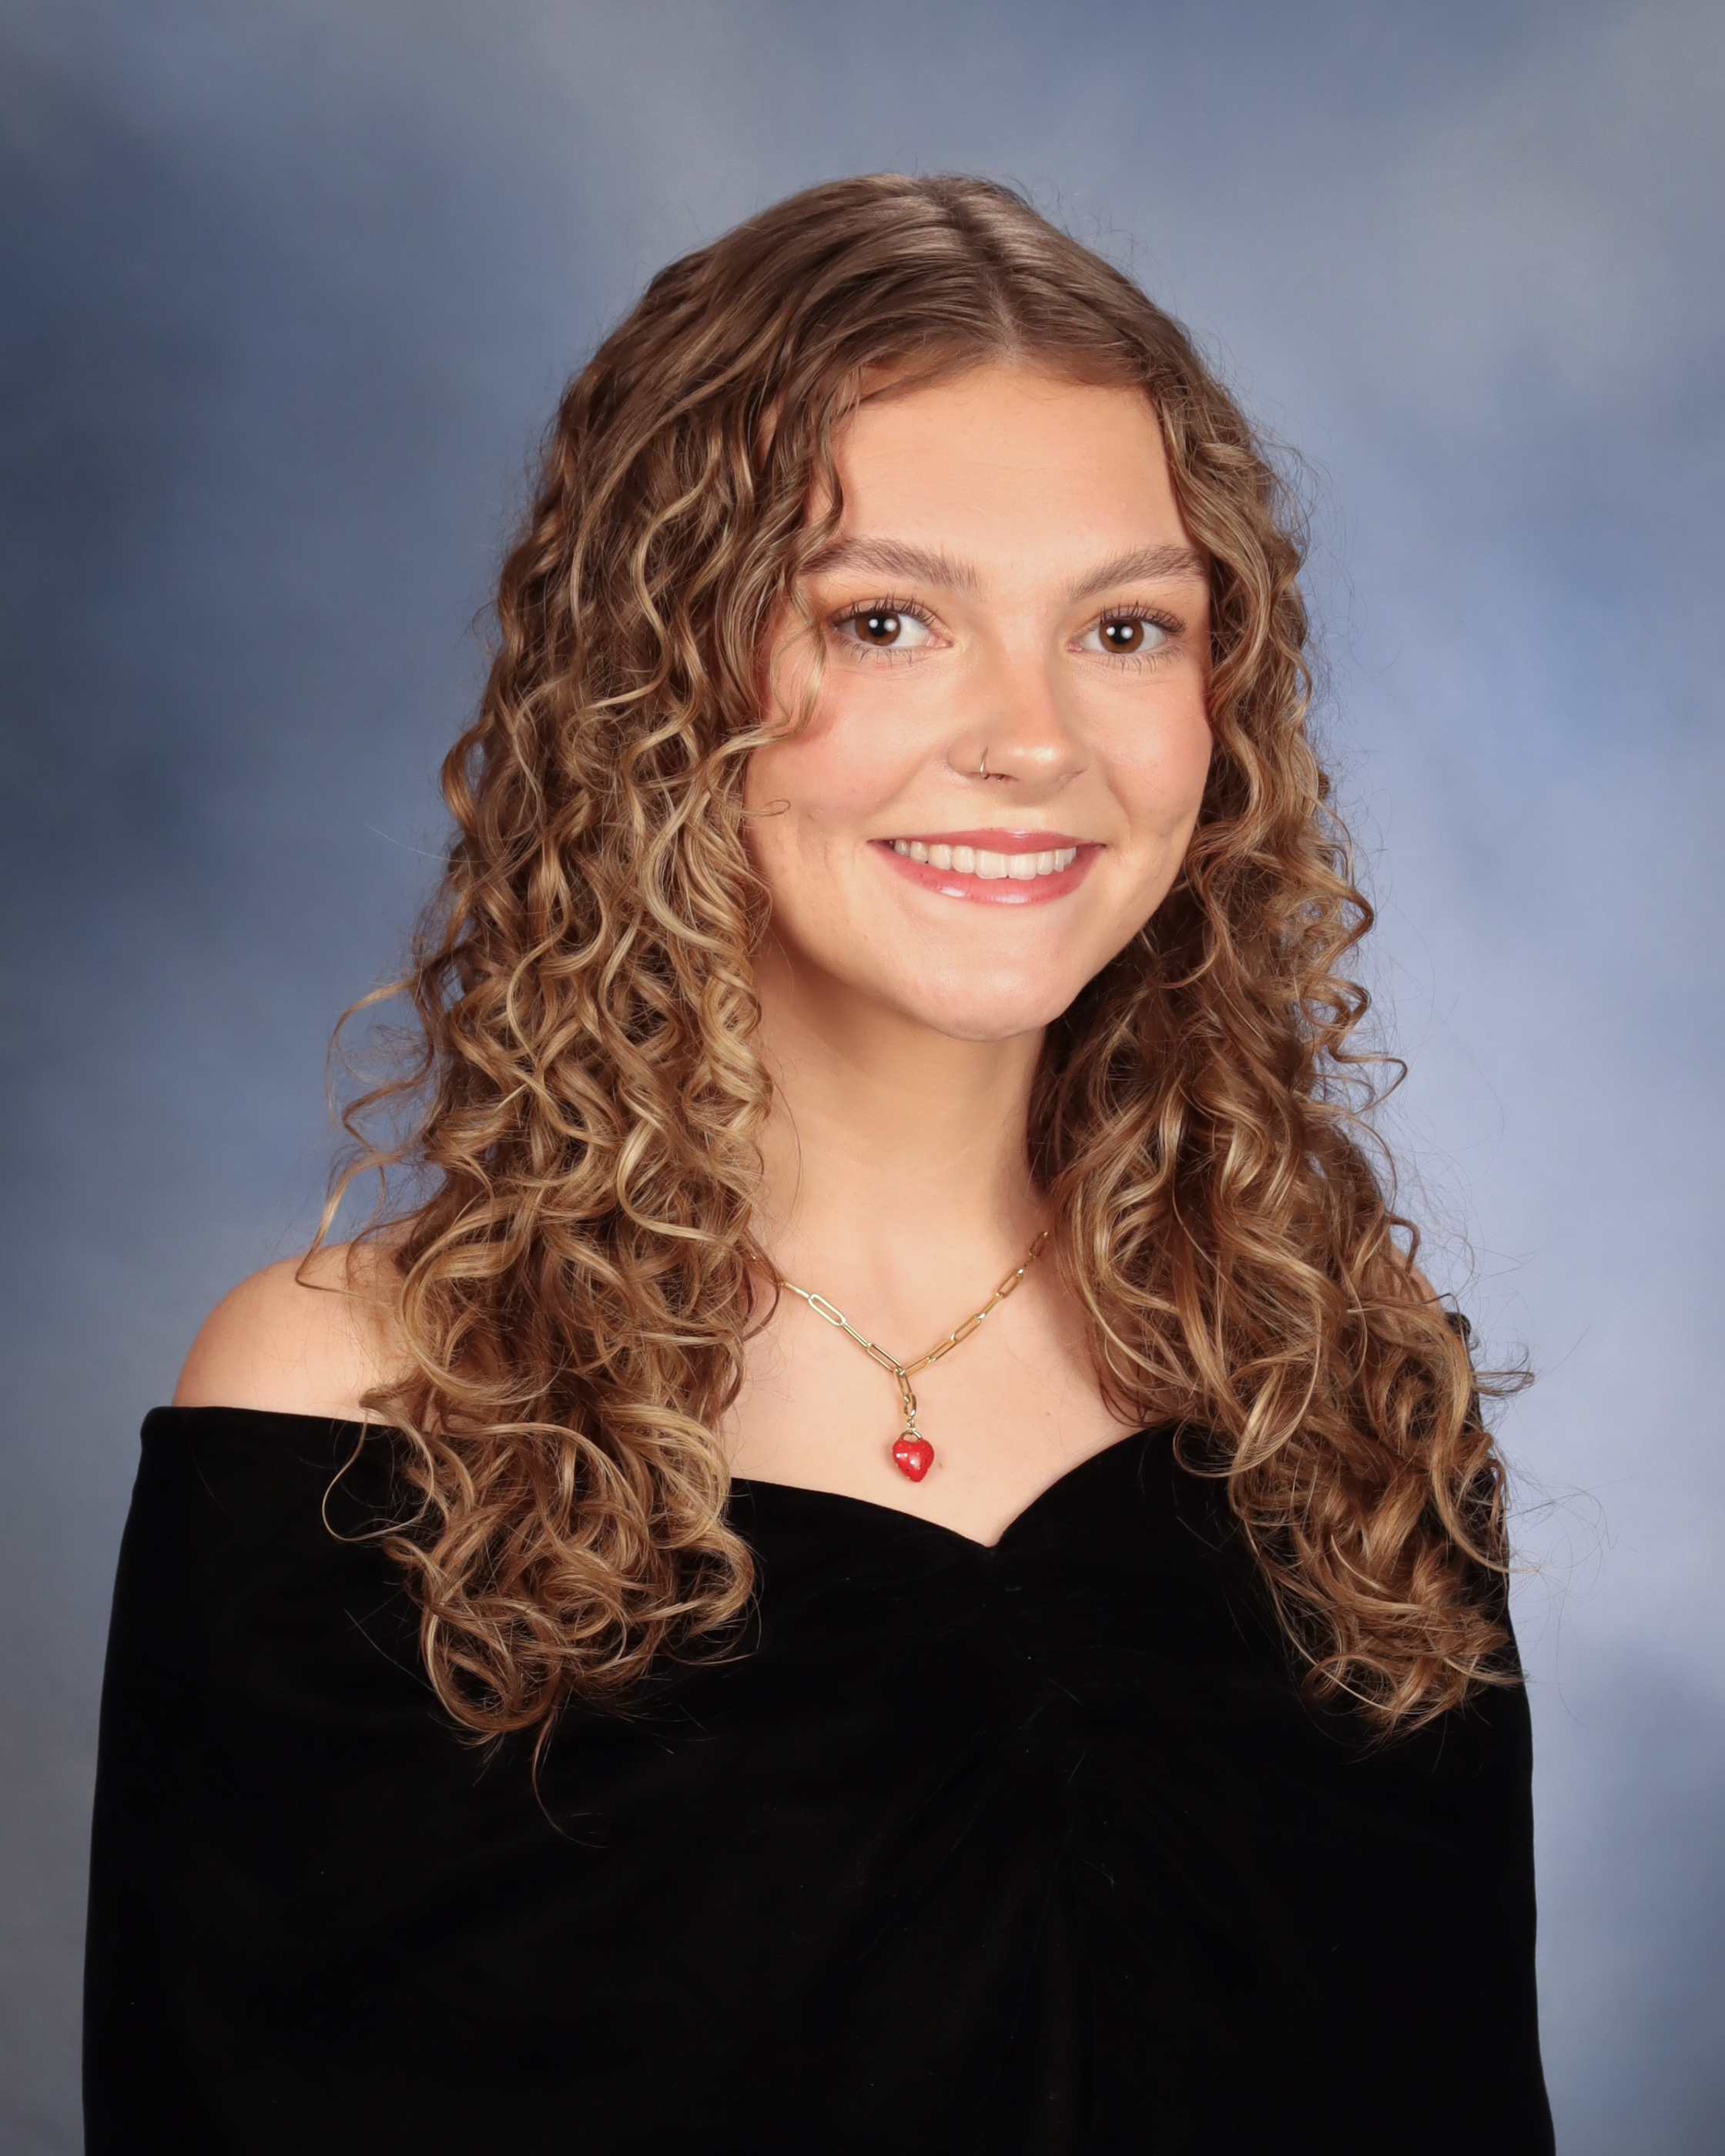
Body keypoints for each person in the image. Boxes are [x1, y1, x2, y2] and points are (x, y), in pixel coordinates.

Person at [82, 172, 1554, 2153]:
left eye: (1125, 627)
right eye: (885, 621)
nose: (1032, 738)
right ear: (659, 681)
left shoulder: (1346, 1396)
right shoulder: (354, 1403)